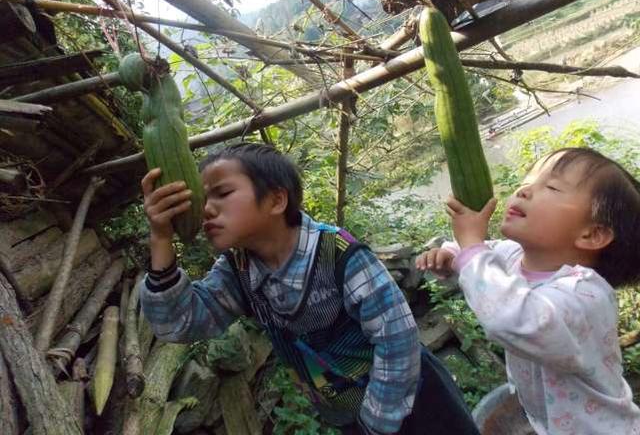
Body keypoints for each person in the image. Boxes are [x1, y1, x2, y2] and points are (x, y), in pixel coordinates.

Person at [139, 142, 479, 434]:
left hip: (416, 397)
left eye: (223, 193)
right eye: (202, 198)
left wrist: (377, 422)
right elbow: (178, 322)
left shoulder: (339, 254)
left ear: (275, 200)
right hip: (348, 410)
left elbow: (397, 339)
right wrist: (161, 238)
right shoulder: (237, 270)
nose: (206, 209)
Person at [416, 147, 640, 434]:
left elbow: (512, 319)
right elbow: (485, 254)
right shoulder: (513, 256)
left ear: (591, 234)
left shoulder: (585, 295)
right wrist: (451, 254)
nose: (524, 191)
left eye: (552, 187)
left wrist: (472, 248)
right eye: (526, 182)